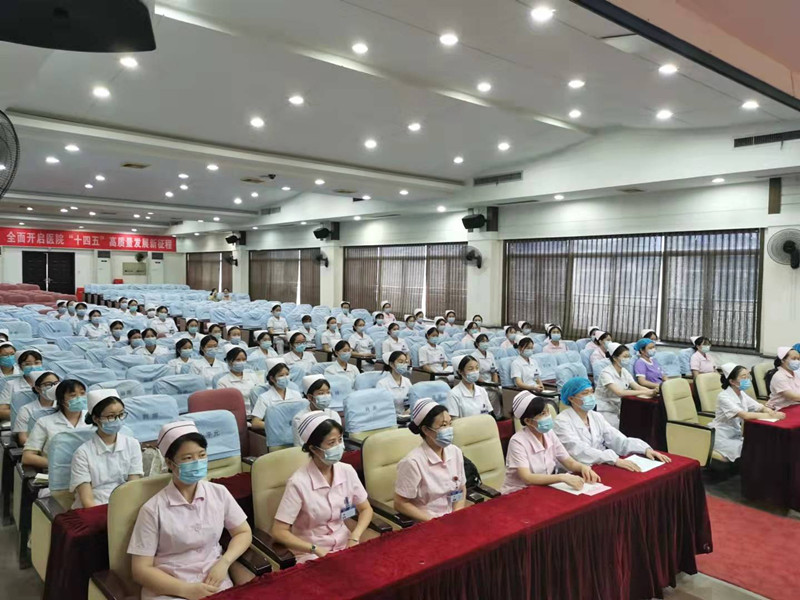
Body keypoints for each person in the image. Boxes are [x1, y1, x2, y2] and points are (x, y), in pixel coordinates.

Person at [129, 421, 253, 599]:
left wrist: (225, 562)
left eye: (202, 455)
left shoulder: (219, 493)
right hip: (170, 589)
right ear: (170, 463)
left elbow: (243, 532)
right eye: (188, 458)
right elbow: (140, 570)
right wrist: (186, 590)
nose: (197, 462)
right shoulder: (153, 509)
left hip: (214, 581)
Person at [272, 412, 372, 562]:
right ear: (313, 448)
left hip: (345, 544)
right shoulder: (298, 483)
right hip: (312, 553)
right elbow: (279, 531)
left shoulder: (347, 471)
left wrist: (355, 536)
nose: (339, 447)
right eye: (331, 443)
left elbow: (365, 509)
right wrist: (314, 549)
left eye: (340, 440)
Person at [554, 377, 671, 470]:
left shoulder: (596, 416)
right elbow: (579, 450)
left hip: (600, 465)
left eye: (591, 392)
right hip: (576, 470)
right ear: (571, 398)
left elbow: (618, 439)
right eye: (585, 393)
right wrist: (613, 459)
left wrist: (645, 449)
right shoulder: (562, 421)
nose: (590, 396)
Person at [501, 392, 599, 494]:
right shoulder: (517, 442)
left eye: (548, 412)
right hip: (519, 492)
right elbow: (527, 478)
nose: (548, 416)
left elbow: (569, 462)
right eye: (543, 414)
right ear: (528, 421)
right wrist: (561, 477)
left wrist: (583, 467)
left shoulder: (549, 433)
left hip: (543, 489)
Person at [394, 400, 466, 521]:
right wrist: (434, 522)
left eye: (450, 424)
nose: (449, 429)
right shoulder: (413, 462)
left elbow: (461, 488)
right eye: (443, 425)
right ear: (426, 430)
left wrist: (456, 515)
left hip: (452, 517)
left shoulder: (455, 452)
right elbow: (400, 503)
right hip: (426, 521)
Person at [70, 389, 143, 509]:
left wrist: (127, 512)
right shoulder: (82, 453)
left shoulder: (132, 444)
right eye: (111, 416)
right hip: (95, 509)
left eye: (121, 414)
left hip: (125, 505)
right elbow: (87, 500)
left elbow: (133, 486)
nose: (118, 420)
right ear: (96, 419)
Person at [711, 363, 785, 461]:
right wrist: (771, 416)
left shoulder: (741, 394)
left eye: (748, 376)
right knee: (751, 449)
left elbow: (759, 407)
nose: (748, 380)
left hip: (736, 434)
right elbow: (745, 415)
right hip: (722, 437)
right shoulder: (723, 396)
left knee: (761, 444)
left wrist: (769, 411)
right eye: (743, 377)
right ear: (732, 381)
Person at [23, 379, 92, 469]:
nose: (79, 398)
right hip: (54, 472)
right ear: (62, 400)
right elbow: (27, 457)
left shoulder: (94, 420)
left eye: (82, 393)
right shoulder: (44, 422)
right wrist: (58, 466)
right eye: (73, 395)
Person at [595, 342, 656, 428]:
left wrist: (652, 391)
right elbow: (620, 392)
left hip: (618, 408)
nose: (628, 359)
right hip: (605, 409)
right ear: (615, 358)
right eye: (625, 356)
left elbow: (637, 386)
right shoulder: (606, 373)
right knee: (616, 430)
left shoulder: (624, 371)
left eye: (628, 356)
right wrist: (645, 392)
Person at [251, 359, 304, 431]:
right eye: (281, 375)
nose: (285, 378)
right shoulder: (264, 398)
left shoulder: (296, 394)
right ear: (272, 378)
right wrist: (275, 426)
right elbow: (255, 423)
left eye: (287, 374)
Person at [13, 371, 60, 445]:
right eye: (48, 384)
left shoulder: (64, 406)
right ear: (38, 388)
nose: (53, 387)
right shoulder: (26, 410)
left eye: (56, 384)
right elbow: (23, 439)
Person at [292, 376, 341, 446]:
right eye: (321, 393)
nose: (326, 396)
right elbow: (300, 446)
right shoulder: (299, 418)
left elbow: (340, 441)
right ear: (310, 397)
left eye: (328, 392)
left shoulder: (333, 415)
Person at [472, 334, 502, 416]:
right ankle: (491, 415)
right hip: (481, 383)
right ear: (477, 344)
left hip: (491, 382)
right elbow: (475, 374)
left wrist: (495, 384)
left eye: (486, 341)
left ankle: (499, 415)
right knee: (493, 394)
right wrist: (487, 384)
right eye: (482, 341)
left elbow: (494, 371)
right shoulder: (474, 356)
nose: (485, 343)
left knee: (501, 391)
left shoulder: (490, 355)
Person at [767, 346, 800, 410]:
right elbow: (792, 397)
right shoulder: (779, 376)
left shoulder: (795, 374)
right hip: (781, 408)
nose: (797, 361)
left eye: (798, 359)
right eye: (794, 359)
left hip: (795, 405)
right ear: (783, 360)